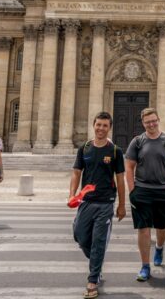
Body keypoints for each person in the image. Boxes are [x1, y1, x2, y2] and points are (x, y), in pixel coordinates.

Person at [70, 112, 126, 299]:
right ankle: (97, 262)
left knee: (99, 242)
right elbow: (76, 172)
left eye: (104, 125)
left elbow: (120, 179)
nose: (101, 128)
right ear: (93, 125)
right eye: (98, 125)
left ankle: (92, 280)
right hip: (86, 201)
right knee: (80, 236)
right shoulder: (84, 148)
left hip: (105, 203)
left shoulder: (115, 151)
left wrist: (122, 205)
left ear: (109, 128)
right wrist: (72, 195)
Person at [125, 107, 165, 281]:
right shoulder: (137, 141)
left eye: (153, 120)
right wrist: (132, 190)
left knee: (163, 227)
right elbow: (129, 166)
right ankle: (145, 266)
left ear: (158, 120)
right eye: (147, 121)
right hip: (142, 190)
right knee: (143, 229)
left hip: (164, 190)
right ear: (143, 123)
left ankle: (159, 246)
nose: (151, 124)